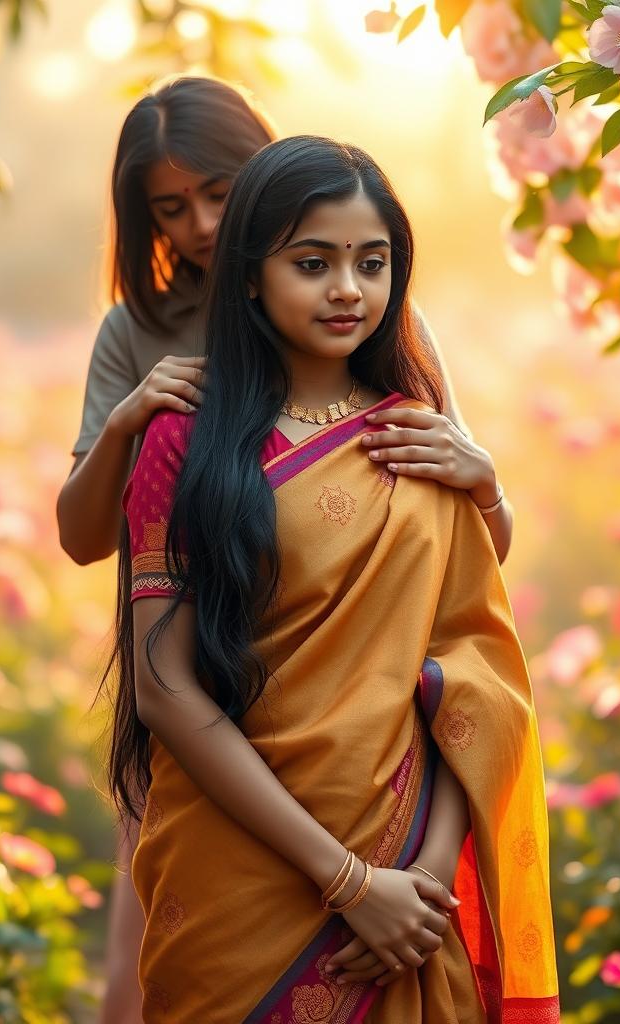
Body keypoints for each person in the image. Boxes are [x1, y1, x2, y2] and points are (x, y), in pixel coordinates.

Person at [56, 76, 515, 1020]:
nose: (200, 224)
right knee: (130, 975)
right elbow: (90, 557)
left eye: (221, 193)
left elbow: (461, 610)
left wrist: (422, 873)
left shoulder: (392, 380)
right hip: (208, 713)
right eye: (171, 207)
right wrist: (130, 428)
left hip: (390, 791)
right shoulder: (141, 347)